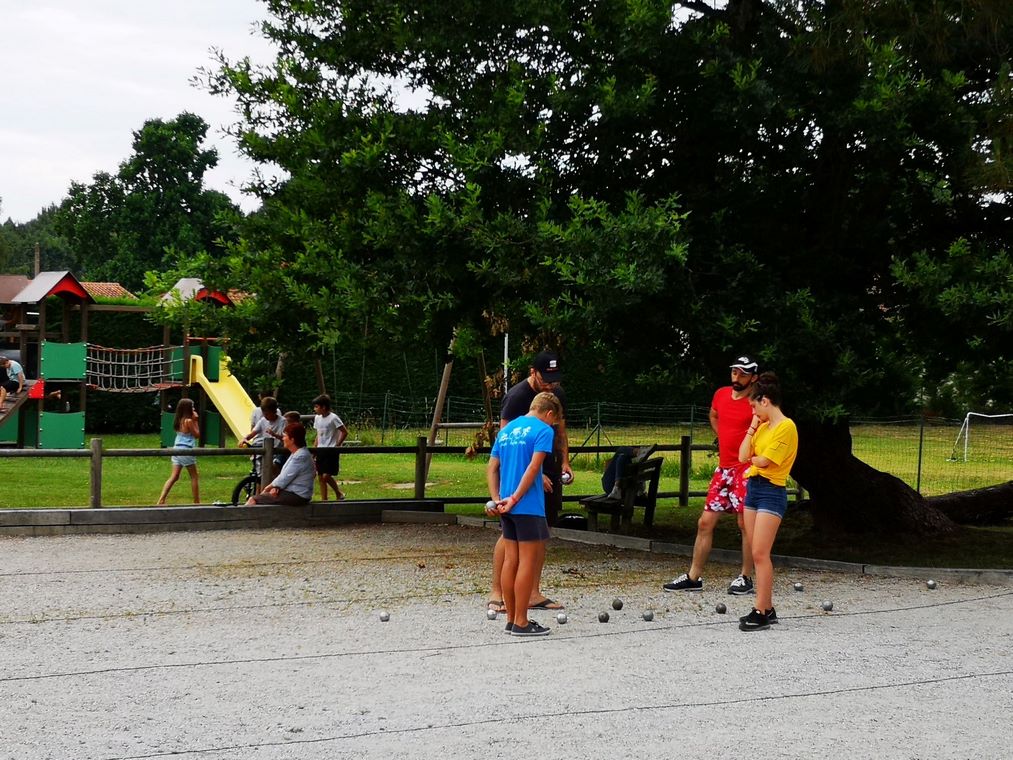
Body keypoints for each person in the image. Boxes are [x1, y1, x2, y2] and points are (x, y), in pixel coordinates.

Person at [664, 355, 759, 595]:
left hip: (745, 469)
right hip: (724, 468)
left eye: (743, 374)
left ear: (753, 377)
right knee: (705, 522)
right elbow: (714, 414)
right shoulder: (721, 394)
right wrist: (723, 435)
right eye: (734, 372)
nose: (737, 378)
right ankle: (694, 577)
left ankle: (745, 576)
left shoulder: (758, 401)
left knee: (744, 524)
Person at [487, 350, 572, 614]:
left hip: (539, 474)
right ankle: (498, 593)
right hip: (521, 480)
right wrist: (536, 474)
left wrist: (564, 462)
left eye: (554, 379)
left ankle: (530, 595)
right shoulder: (516, 398)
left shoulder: (556, 396)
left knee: (540, 533)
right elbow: (505, 446)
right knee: (511, 541)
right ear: (532, 372)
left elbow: (562, 430)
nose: (551, 384)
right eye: (546, 378)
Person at [486, 391, 563, 637]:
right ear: (549, 414)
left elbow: (492, 467)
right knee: (527, 562)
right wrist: (517, 497)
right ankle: (521, 621)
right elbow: (533, 468)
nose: (554, 426)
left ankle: (510, 619)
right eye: (554, 420)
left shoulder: (507, 430)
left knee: (511, 561)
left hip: (505, 505)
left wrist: (498, 499)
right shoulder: (543, 430)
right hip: (527, 506)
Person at [737, 372, 799, 631]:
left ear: (765, 400)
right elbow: (742, 455)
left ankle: (760, 611)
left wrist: (754, 459)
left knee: (761, 553)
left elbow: (765, 461)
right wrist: (752, 427)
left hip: (772, 490)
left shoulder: (787, 426)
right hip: (754, 488)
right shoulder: (761, 427)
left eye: (753, 405)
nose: (752, 410)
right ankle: (767, 606)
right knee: (754, 549)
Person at [246, 422, 316, 506]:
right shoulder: (298, 453)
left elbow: (284, 478)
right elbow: (285, 477)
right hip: (294, 492)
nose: (283, 439)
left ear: (292, 439)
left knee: (253, 499)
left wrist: (268, 488)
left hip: (297, 495)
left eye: (285, 436)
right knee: (264, 497)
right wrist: (276, 487)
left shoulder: (300, 456)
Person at [157, 398, 200, 505]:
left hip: (176, 450)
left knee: (174, 476)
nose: (194, 408)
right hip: (186, 451)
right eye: (192, 406)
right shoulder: (189, 421)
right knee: (194, 476)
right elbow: (197, 435)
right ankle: (197, 502)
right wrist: (196, 421)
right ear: (187, 409)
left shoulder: (179, 420)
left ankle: (161, 499)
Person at [240, 396, 287, 489]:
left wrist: (275, 435)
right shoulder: (263, 421)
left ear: (274, 411)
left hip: (278, 452)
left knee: (273, 469)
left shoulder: (282, 421)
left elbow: (285, 438)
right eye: (264, 414)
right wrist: (245, 439)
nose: (265, 416)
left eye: (267, 414)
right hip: (267, 451)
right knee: (261, 474)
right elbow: (253, 433)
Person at [312, 394, 349, 500]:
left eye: (316, 407)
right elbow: (318, 435)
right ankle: (324, 499)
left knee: (326, 476)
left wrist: (338, 445)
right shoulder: (317, 418)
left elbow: (344, 431)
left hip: (331, 450)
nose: (315, 409)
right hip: (320, 450)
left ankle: (338, 492)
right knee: (320, 477)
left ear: (323, 407)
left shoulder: (333, 418)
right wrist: (314, 450)